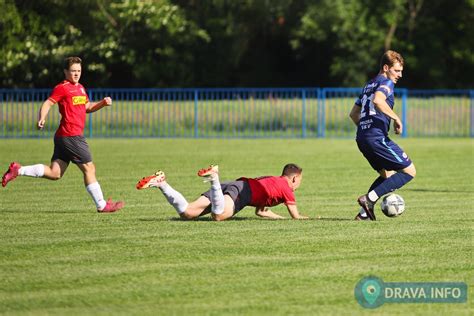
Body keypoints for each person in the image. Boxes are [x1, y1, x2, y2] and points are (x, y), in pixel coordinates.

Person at [1, 56, 124, 213]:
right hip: (71, 135)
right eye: (73, 71)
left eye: (79, 71)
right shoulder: (62, 87)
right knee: (89, 169)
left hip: (63, 136)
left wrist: (102, 104)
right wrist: (42, 117)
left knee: (55, 173)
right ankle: (102, 205)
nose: (76, 74)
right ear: (66, 71)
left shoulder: (80, 88)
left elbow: (87, 106)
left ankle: (18, 170)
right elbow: (48, 103)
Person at [349, 50, 416, 220]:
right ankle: (368, 199)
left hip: (362, 138)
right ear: (386, 68)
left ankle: (364, 214)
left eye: (401, 71)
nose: (400, 75)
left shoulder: (368, 85)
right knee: (409, 171)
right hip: (376, 138)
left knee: (388, 176)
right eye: (397, 70)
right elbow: (378, 101)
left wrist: (365, 128)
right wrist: (396, 118)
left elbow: (353, 114)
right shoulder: (386, 83)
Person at [136, 164, 308, 221]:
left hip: (235, 185)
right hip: (242, 192)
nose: (298, 184)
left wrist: (281, 219)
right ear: (294, 178)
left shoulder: (273, 181)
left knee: (188, 212)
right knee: (218, 216)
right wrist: (306, 219)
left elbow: (261, 211)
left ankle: (162, 183)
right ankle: (214, 178)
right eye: (300, 181)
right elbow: (296, 216)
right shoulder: (286, 188)